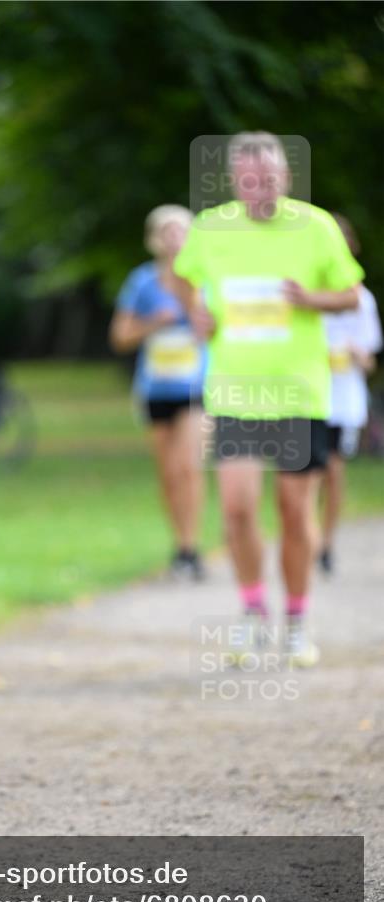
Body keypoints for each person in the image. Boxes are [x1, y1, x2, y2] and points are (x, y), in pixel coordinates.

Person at [172, 132, 363, 666]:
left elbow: (351, 293)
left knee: (294, 508)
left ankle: (298, 621)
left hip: (299, 393)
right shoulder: (211, 228)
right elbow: (183, 277)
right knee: (235, 508)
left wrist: (310, 299)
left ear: (286, 177)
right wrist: (196, 312)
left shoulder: (317, 226)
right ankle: (254, 614)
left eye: (270, 177)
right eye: (250, 179)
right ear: (236, 180)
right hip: (234, 390)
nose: (261, 187)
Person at [110, 205, 207, 580]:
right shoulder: (142, 282)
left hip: (196, 387)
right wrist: (153, 323)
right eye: (167, 231)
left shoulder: (203, 279)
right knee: (169, 473)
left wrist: (187, 300)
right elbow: (120, 337)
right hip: (155, 388)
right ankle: (179, 545)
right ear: (155, 238)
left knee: (189, 466)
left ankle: (192, 547)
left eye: (181, 230)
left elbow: (213, 327)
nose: (174, 238)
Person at [318, 213, 382, 574]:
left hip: (342, 400)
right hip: (306, 397)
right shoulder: (304, 292)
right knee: (305, 474)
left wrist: (354, 353)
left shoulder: (363, 300)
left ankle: (326, 543)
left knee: (333, 473)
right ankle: (308, 535)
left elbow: (369, 359)